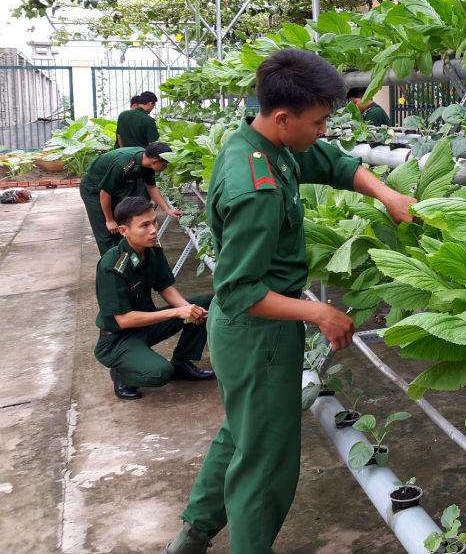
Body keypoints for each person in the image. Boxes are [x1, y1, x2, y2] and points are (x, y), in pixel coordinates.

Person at [164, 49, 416, 554]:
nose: (324, 130)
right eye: (320, 120)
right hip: (257, 335)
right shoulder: (254, 187)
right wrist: (320, 310)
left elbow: (329, 162)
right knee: (266, 463)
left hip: (257, 333)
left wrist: (387, 194)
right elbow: (237, 291)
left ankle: (191, 539)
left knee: (241, 435)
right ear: (284, 118)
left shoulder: (262, 142)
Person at [94, 196, 215, 400]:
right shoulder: (112, 266)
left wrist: (189, 309)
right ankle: (122, 373)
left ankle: (182, 363)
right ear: (124, 231)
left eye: (154, 222)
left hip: (146, 326)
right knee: (160, 373)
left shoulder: (151, 250)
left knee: (204, 302)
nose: (153, 230)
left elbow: (165, 287)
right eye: (145, 225)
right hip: (119, 339)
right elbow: (122, 320)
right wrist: (177, 311)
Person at [79, 142, 182, 255]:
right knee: (106, 231)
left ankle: (127, 260)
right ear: (155, 161)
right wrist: (109, 220)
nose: (165, 167)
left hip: (115, 188)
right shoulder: (123, 164)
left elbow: (152, 187)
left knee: (123, 223)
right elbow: (104, 193)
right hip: (94, 189)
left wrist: (168, 210)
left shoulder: (146, 164)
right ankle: (112, 265)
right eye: (165, 164)